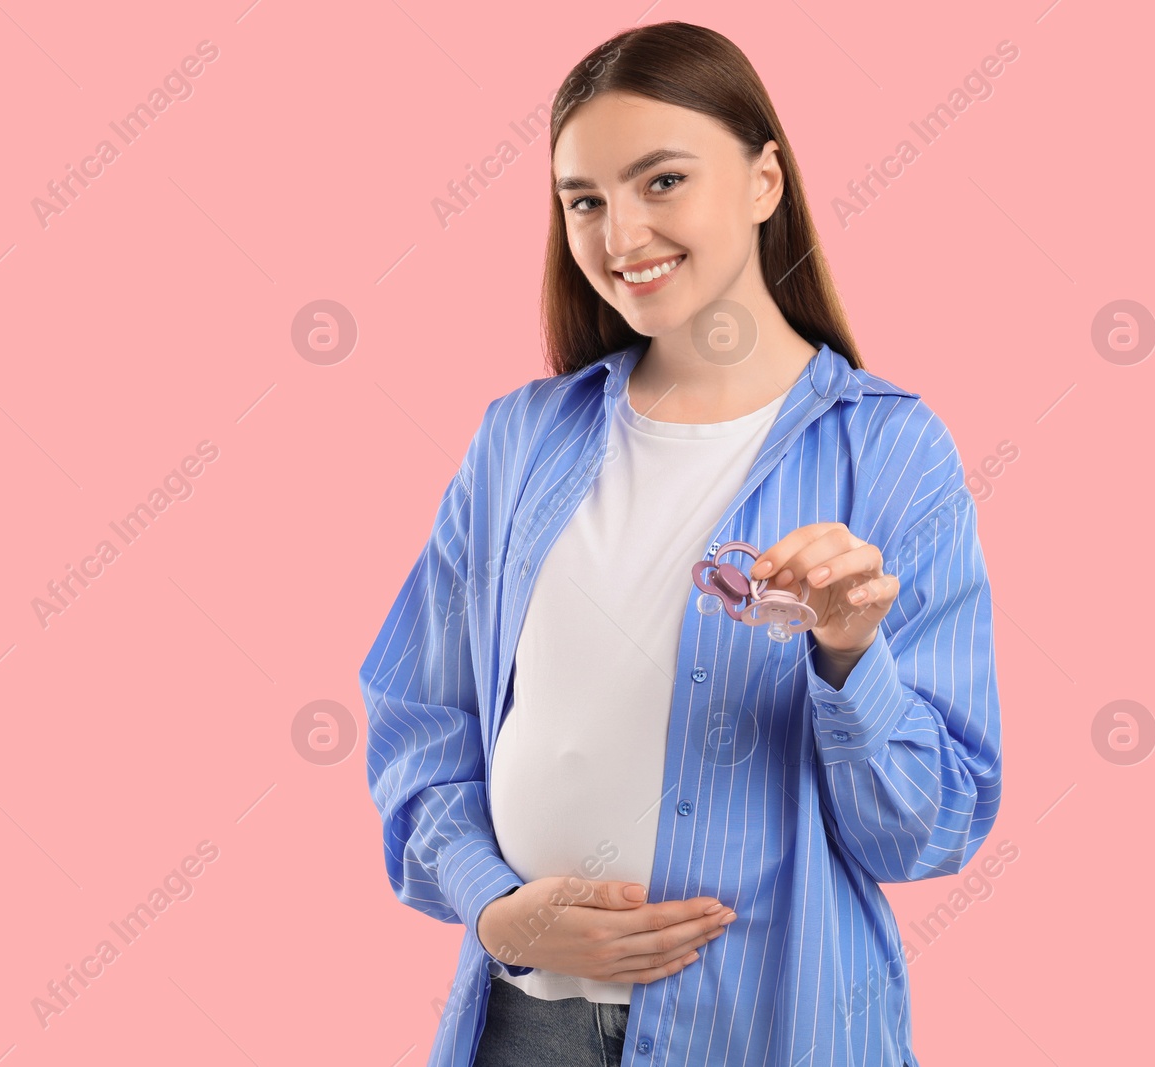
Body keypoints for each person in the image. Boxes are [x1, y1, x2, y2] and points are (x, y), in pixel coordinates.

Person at [360, 20, 1002, 1067]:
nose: (619, 235)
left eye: (662, 181)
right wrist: (495, 909)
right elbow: (419, 724)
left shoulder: (889, 449)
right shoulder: (519, 438)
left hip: (775, 1025)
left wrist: (848, 655)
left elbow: (925, 832)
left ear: (762, 181)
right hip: (526, 1029)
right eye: (585, 200)